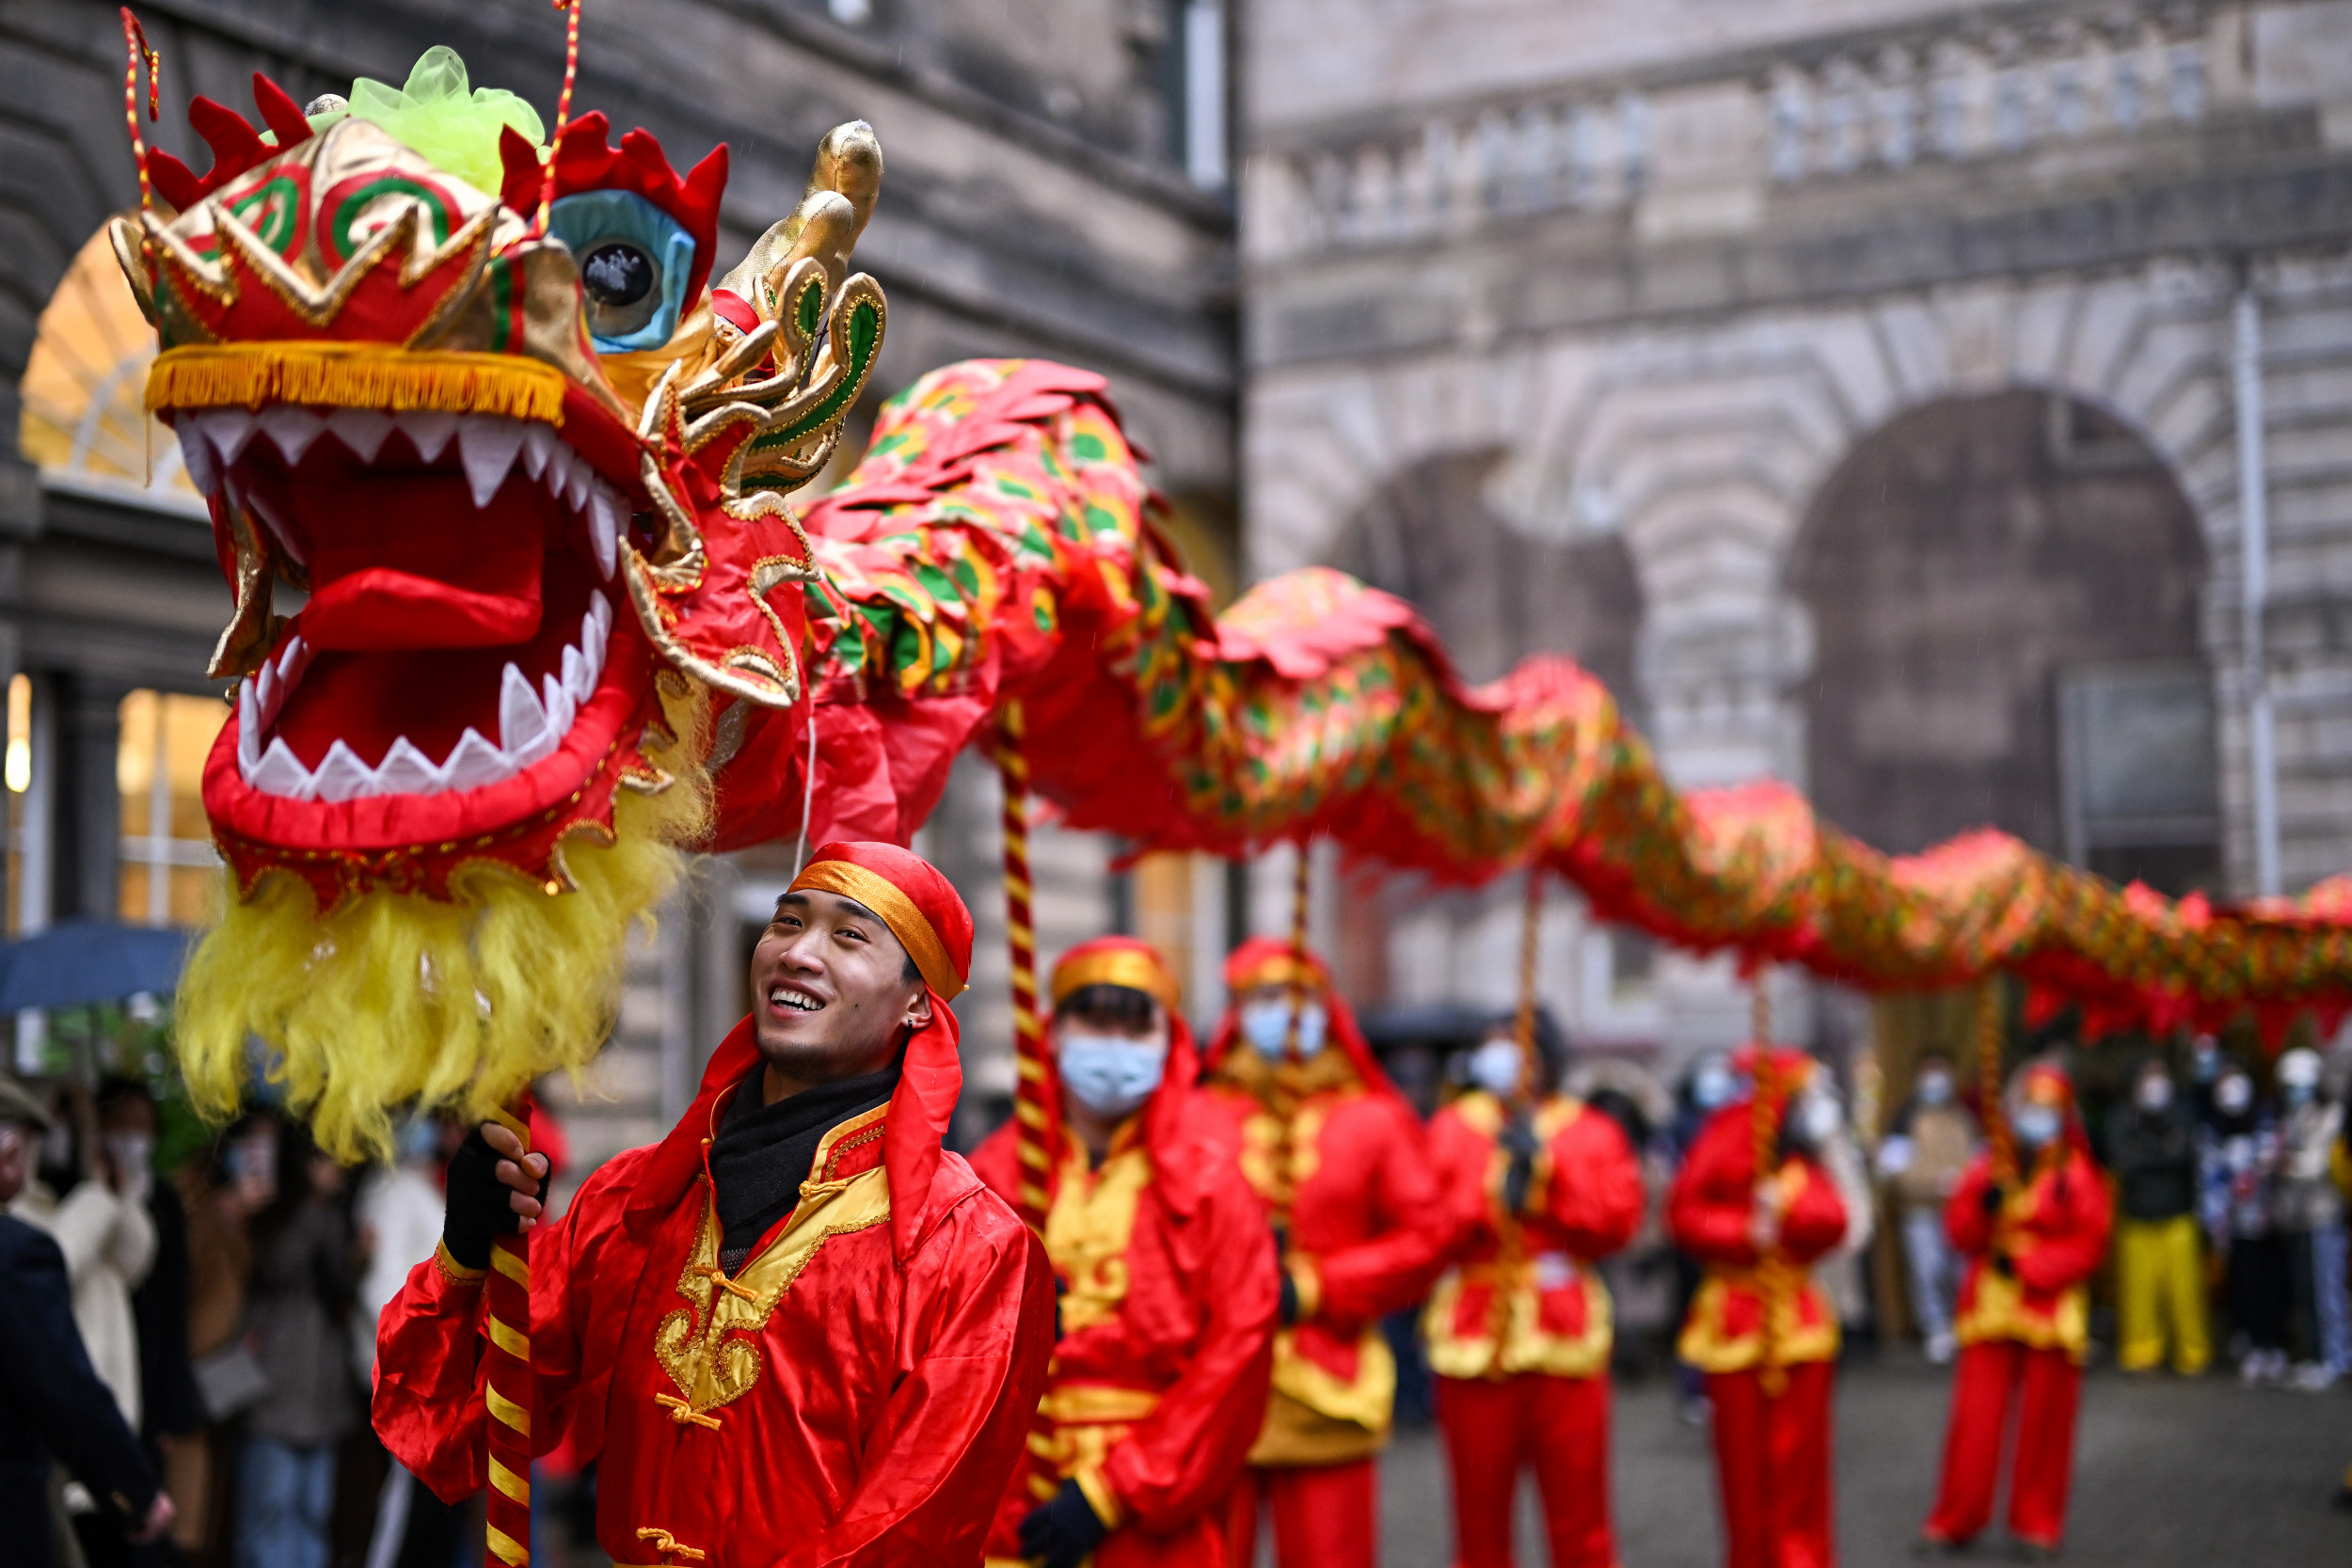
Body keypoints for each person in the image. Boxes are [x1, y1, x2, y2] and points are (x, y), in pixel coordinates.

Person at [375, 841, 1056, 1566]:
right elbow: (451, 1428)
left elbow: (910, 1531)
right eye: (787, 922)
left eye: (849, 934)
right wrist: (467, 1255)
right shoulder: (634, 1200)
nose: (799, 952)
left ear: (918, 1001)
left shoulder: (975, 1250)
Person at [969, 937, 1279, 1568]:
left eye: (1136, 1026)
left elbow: (1240, 1347)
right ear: (1053, 1032)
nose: (1114, 1042)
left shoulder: (1214, 1181)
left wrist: (1115, 1489)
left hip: (1158, 1505)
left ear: (1170, 1041)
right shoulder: (990, 1177)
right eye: (1095, 1020)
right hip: (1012, 1495)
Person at [1197, 937, 1449, 1568]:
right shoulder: (1192, 1116)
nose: (1283, 1010)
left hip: (1328, 1385)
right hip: (1205, 1390)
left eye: (1299, 995)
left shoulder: (1375, 1119)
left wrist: (1316, 1286)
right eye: (1264, 996)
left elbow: (1426, 1238)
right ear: (1236, 1010)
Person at [1422, 1021, 1643, 1568]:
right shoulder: (1450, 1129)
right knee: (1479, 1518)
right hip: (1476, 1329)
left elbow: (1619, 1221)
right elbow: (1425, 1223)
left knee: (1580, 1515)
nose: (1502, 1057)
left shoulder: (1590, 1131)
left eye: (1515, 1045)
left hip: (1565, 1327)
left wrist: (1550, 1182)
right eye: (1494, 1045)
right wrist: (1491, 1194)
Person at [1915, 1063, 2112, 1560]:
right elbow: (1958, 1231)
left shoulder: (2078, 1174)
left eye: (2048, 1109)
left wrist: (2029, 1264)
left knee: (2046, 1424)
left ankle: (2036, 1523)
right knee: (1974, 1421)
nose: (2037, 1117)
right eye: (2031, 1106)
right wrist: (1983, 1208)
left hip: (2048, 1309)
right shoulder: (1990, 1164)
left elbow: (2089, 1244)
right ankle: (1956, 1518)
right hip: (1989, 1308)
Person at [1667, 1044, 1850, 1568]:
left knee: (1803, 1464)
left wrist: (1786, 1209)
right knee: (1742, 1466)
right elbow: (1686, 1212)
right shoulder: (1723, 1137)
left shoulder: (1802, 1160)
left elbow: (1835, 1220)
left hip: (1798, 1318)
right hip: (1734, 1318)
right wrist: (1746, 1228)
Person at [0, 1076, 176, 1567]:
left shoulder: (68, 1208)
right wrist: (133, 1492)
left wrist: (115, 1194)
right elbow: (61, 1386)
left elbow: (137, 1258)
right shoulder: (18, 1245)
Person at [238, 1120, 361, 1568]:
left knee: (313, 1514)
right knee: (270, 1512)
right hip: (274, 1394)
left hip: (323, 1397)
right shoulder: (280, 1211)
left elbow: (340, 1286)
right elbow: (278, 1264)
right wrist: (312, 1202)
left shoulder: (335, 1214)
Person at [1875, 1054, 1979, 1363]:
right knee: (1927, 1268)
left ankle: (1963, 1322)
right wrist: (1928, 1182)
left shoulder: (1961, 1117)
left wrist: (1964, 1182)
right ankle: (1935, 1326)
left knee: (1961, 1270)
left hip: (1960, 1209)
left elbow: (1977, 1156)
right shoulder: (1906, 1118)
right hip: (1920, 1207)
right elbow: (1892, 1166)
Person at [2107, 1060, 2209, 1375]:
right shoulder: (2122, 1118)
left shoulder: (2183, 1115)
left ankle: (2192, 1353)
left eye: (2159, 1076)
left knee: (2185, 1293)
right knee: (2139, 1294)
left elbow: (2187, 1156)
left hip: (2178, 1216)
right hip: (2137, 1218)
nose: (2155, 1085)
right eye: (2147, 1077)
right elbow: (2123, 1159)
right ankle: (2142, 1352)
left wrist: (2146, 1153)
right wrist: (2165, 1152)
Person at [2201, 1060, 2289, 1385]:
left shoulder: (2267, 1117)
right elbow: (2211, 1179)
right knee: (2246, 1286)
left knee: (2274, 1285)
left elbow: (2276, 1157)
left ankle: (2274, 1345)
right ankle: (2252, 1344)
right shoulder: (2214, 1128)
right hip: (2237, 1225)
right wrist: (2216, 1226)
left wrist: (2254, 1167)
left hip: (2272, 1219)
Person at [2273, 1047, 2349, 1388]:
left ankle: (2333, 1357)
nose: (2295, 1091)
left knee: (2325, 1291)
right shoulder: (2294, 1115)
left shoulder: (2331, 1114)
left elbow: (2321, 1163)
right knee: (2305, 1291)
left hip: (2323, 1215)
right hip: (2298, 1217)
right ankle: (2314, 1354)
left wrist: (2290, 1164)